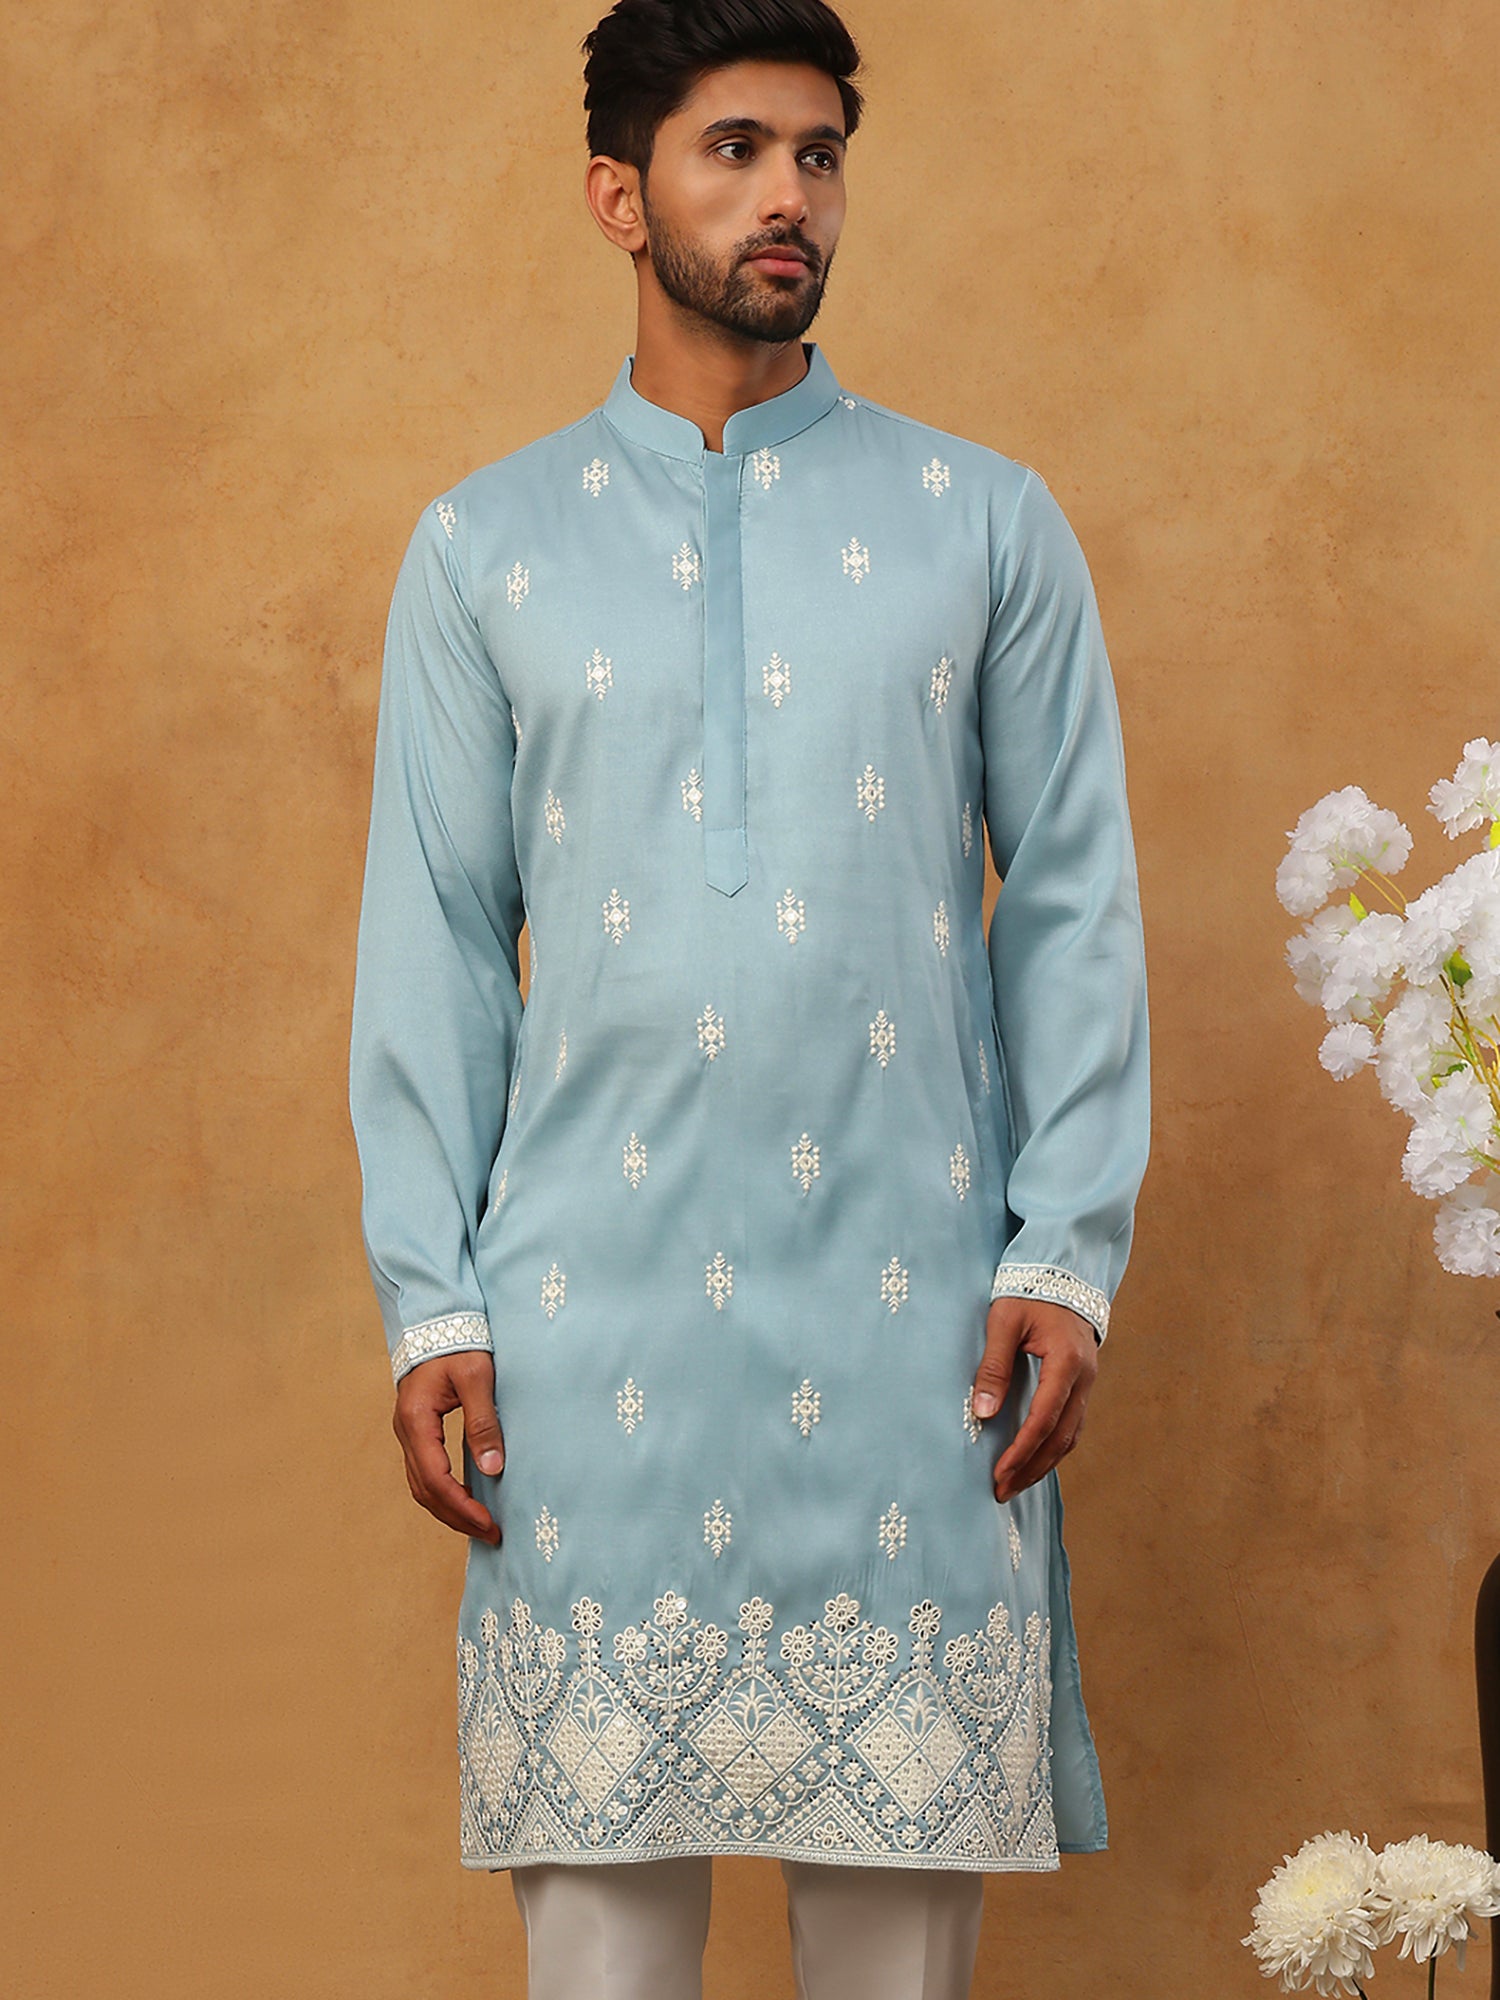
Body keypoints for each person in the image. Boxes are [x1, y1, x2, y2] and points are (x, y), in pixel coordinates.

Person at [347, 2, 1151, 1994]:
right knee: (602, 1958)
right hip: (586, 1335)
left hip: (918, 1335)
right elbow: (434, 936)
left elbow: (1071, 903)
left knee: (897, 1959)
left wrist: (1065, 1253)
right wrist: (435, 1298)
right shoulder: (484, 547)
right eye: (735, 150)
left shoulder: (986, 522)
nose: (790, 195)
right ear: (619, 197)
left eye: (819, 153)